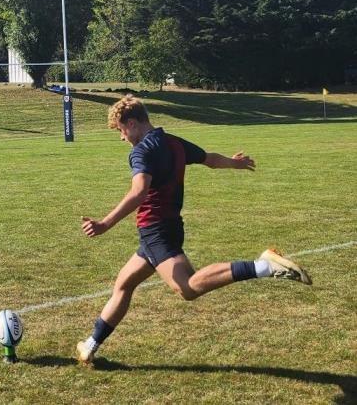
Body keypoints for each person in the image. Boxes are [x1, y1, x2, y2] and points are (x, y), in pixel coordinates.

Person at [77, 94, 312, 364]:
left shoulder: (141, 151)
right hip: (167, 228)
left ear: (131, 123)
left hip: (156, 230)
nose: (121, 138)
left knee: (188, 287)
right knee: (124, 284)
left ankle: (264, 266)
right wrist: (234, 163)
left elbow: (139, 192)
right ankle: (90, 345)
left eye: (120, 131)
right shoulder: (173, 142)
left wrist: (104, 224)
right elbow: (209, 159)